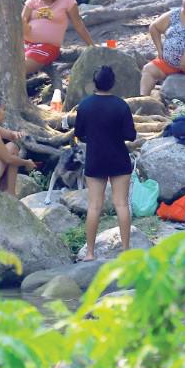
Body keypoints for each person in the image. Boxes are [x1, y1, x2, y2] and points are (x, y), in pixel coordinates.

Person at [74, 66, 137, 261]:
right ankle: (126, 250)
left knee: (94, 206)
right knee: (121, 204)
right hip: (119, 157)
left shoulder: (84, 106)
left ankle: (90, 253)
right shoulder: (121, 105)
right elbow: (131, 135)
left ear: (95, 83)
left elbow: (79, 134)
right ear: (113, 83)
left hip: (95, 158)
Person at [21, 0, 95, 74]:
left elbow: (78, 25)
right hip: (26, 44)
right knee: (12, 64)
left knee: (21, 68)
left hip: (47, 47)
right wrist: (25, 28)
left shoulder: (67, 0)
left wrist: (91, 46)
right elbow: (22, 20)